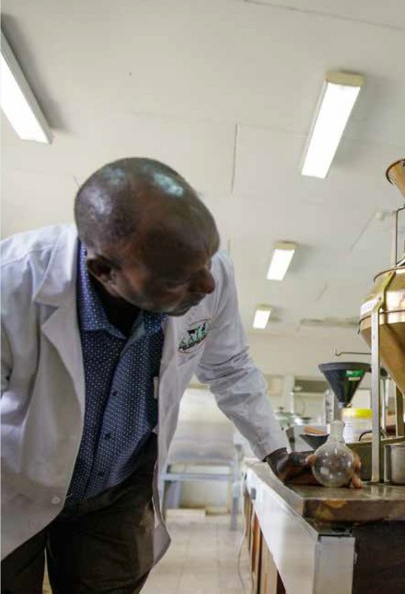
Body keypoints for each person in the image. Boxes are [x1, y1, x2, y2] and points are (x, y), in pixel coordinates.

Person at [0, 158, 359, 593]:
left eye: (207, 260)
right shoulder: (13, 282)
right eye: (179, 278)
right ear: (104, 271)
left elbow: (230, 367)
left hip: (118, 490)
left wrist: (276, 452)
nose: (207, 285)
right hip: (13, 483)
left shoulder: (208, 272)